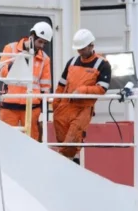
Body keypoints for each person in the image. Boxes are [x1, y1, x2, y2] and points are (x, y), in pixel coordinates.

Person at [52, 28, 111, 162]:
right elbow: (61, 86)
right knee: (62, 143)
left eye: (83, 49)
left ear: (91, 45)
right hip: (64, 107)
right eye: (78, 49)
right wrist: (56, 104)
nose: (80, 52)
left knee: (72, 140)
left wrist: (82, 91)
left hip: (83, 108)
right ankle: (70, 165)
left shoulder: (102, 64)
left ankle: (67, 169)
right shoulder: (72, 62)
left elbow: (102, 89)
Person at [0, 22, 53, 142]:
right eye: (40, 42)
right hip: (9, 106)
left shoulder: (45, 59)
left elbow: (45, 86)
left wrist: (43, 109)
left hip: (32, 107)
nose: (42, 46)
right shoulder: (10, 48)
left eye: (45, 43)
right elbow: (1, 72)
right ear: (32, 36)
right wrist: (18, 60)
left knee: (32, 143)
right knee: (6, 141)